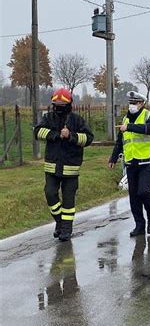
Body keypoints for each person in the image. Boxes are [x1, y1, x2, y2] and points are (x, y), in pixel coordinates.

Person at [34, 88, 94, 241]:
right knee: (50, 194)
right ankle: (59, 223)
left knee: (68, 201)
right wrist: (55, 135)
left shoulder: (77, 120)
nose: (58, 106)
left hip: (71, 168)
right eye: (56, 104)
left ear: (69, 104)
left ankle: (66, 230)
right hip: (52, 167)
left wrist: (71, 136)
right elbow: (37, 132)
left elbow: (88, 138)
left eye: (62, 104)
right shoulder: (48, 118)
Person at [108, 91, 150, 237]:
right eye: (131, 103)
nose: (132, 106)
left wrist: (130, 127)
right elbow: (120, 141)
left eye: (135, 103)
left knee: (143, 192)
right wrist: (113, 158)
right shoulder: (126, 119)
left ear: (142, 103)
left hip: (148, 161)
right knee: (134, 197)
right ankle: (139, 225)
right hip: (131, 162)